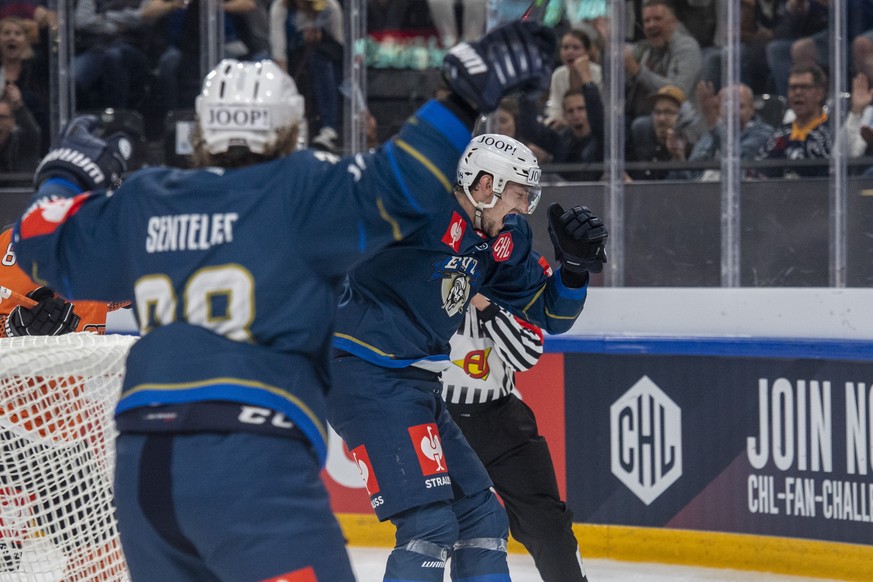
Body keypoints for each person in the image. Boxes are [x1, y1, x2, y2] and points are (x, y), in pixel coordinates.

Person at [12, 20, 558, 581]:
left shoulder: (148, 197)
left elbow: (36, 243)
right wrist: (461, 96)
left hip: (144, 461)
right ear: (289, 128)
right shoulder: (302, 190)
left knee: (470, 514)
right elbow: (405, 180)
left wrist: (63, 175)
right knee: (427, 530)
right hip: (253, 449)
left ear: (202, 128)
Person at [328, 117, 607, 582]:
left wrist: (574, 269)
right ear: (484, 185)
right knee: (428, 526)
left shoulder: (500, 241)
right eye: (520, 194)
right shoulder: (418, 206)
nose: (524, 208)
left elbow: (549, 314)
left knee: (483, 518)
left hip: (418, 384)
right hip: (363, 374)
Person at [441, 293, 590, 582]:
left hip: (502, 420)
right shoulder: (421, 265)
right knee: (438, 529)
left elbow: (526, 356)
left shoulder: (513, 271)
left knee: (547, 524)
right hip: (439, 421)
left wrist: (485, 304)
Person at [667, 82, 773, 181]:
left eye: (740, 106)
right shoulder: (709, 137)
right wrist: (679, 158)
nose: (733, 112)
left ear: (752, 108)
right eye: (728, 106)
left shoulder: (763, 133)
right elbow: (689, 181)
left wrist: (712, 120)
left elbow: (737, 165)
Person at [625, 0, 702, 123]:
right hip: (642, 116)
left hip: (681, 123)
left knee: (641, 125)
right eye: (647, 21)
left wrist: (639, 72)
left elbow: (678, 92)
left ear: (673, 22)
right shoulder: (645, 49)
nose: (651, 25)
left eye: (657, 19)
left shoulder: (687, 48)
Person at [754, 62, 831, 178]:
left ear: (819, 93)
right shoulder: (780, 134)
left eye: (805, 87)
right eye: (793, 87)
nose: (798, 92)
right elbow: (759, 172)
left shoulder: (831, 133)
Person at [628, 84, 692, 180]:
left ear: (683, 117)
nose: (661, 119)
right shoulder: (639, 139)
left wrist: (677, 158)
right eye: (657, 112)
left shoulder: (690, 150)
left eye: (668, 112)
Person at [544, 28, 603, 129]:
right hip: (566, 124)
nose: (570, 52)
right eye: (565, 48)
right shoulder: (558, 74)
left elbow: (600, 107)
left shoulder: (599, 73)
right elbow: (555, 106)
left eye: (576, 48)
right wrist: (555, 120)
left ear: (587, 52)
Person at [0, 95, 40, 173]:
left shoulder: (22, 143)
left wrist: (19, 105)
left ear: (12, 121)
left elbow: (32, 132)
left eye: (2, 117)